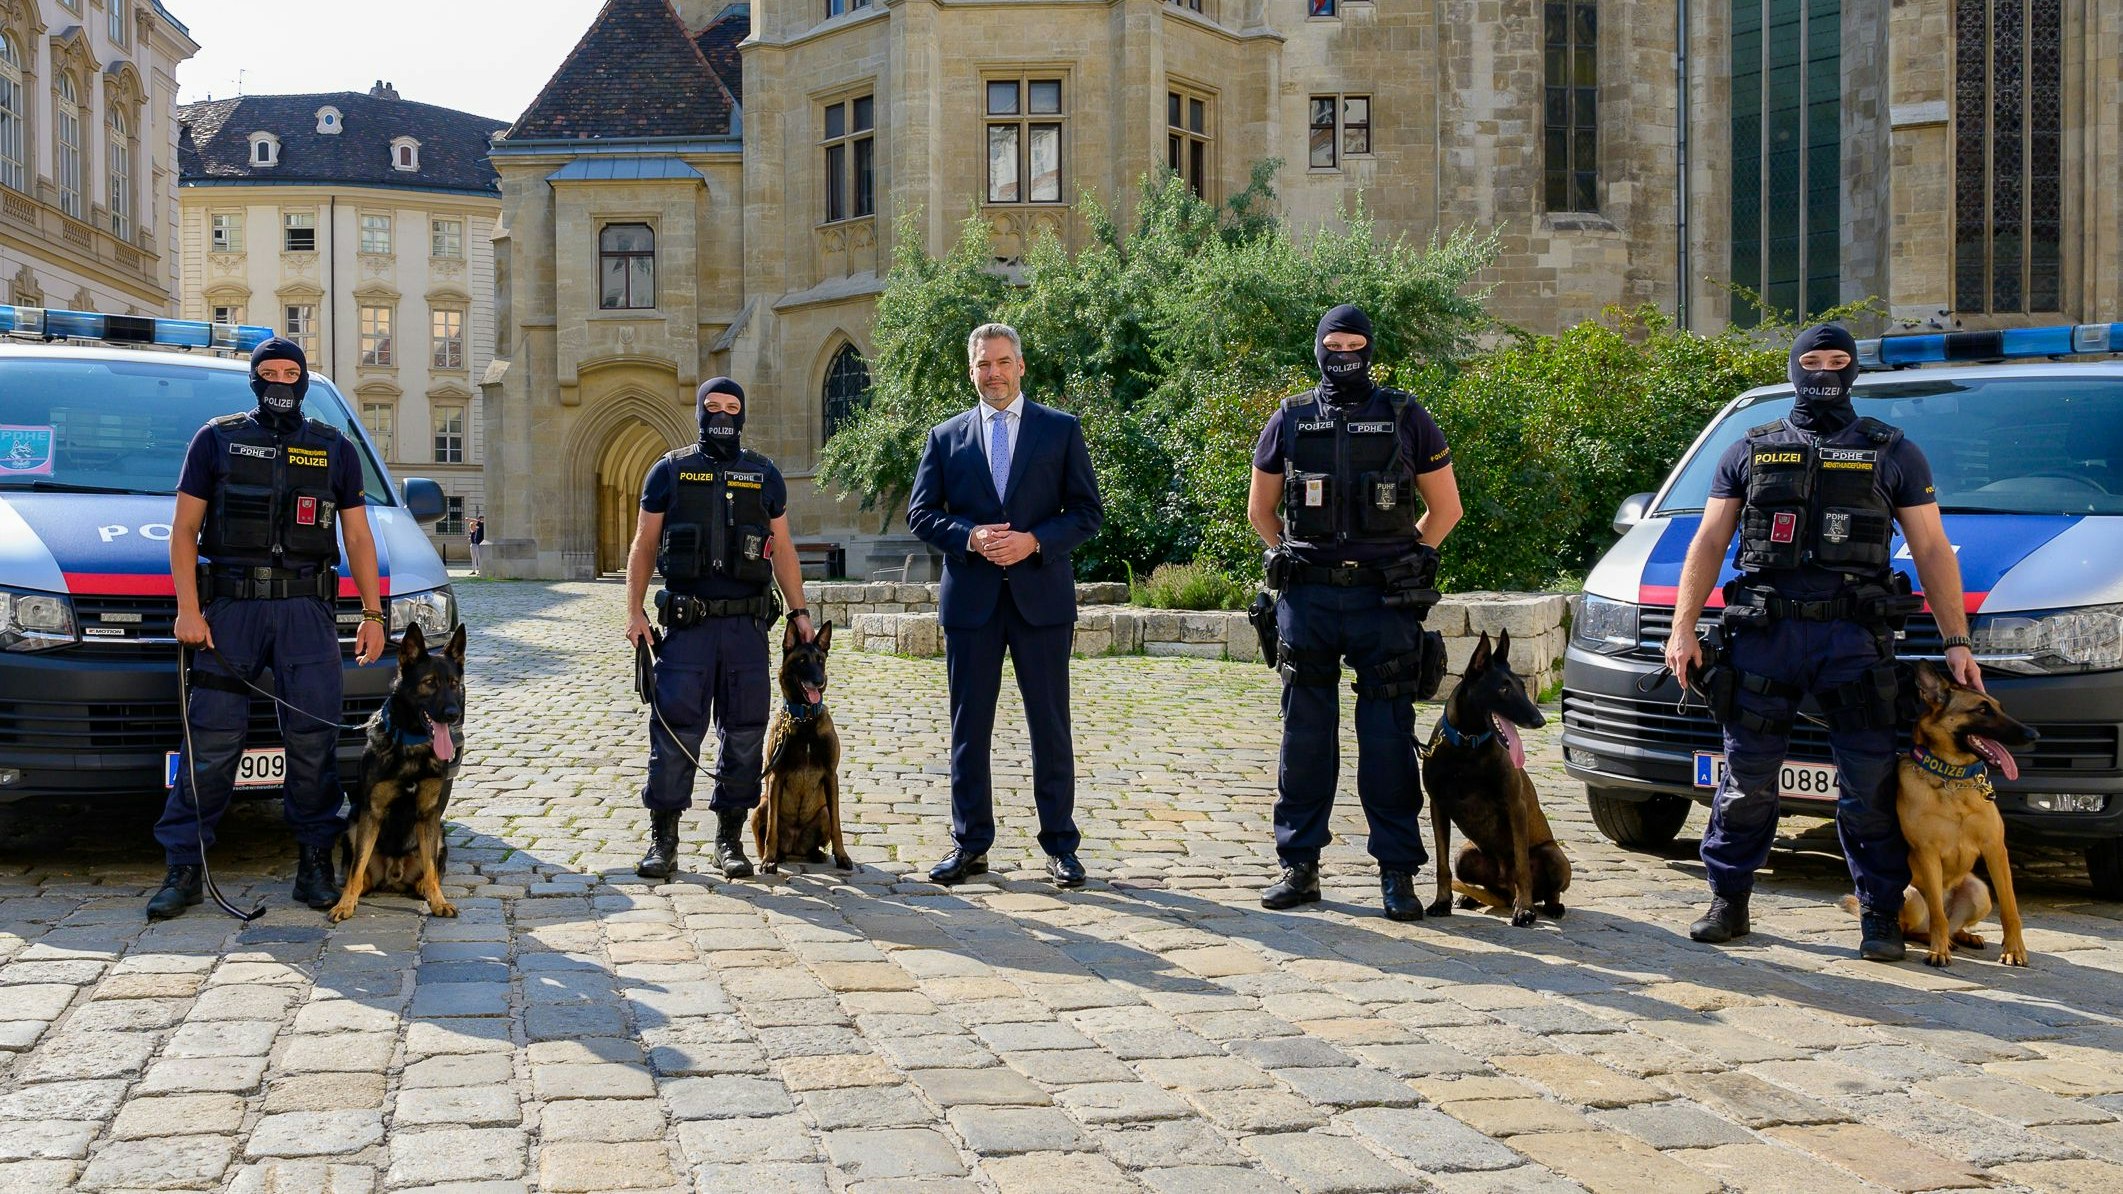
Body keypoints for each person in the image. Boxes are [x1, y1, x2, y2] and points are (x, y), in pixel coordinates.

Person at [1663, 323, 1982, 961]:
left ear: (1854, 369)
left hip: (1852, 640)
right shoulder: (1749, 448)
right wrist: (1682, 627)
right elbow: (1711, 540)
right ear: (1794, 367)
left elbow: (1930, 548)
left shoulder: (1894, 452)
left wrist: (1957, 641)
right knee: (1748, 778)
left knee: (1869, 785)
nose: (1826, 371)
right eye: (1813, 359)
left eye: (1839, 360)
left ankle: (1880, 915)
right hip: (1766, 635)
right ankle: (1728, 900)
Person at [149, 338, 388, 920]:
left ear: (304, 381)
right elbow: (184, 531)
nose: (280, 382)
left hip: (307, 613)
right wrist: (188, 610)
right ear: (254, 380)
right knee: (211, 741)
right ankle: (185, 867)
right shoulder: (216, 440)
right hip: (231, 612)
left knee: (313, 742)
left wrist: (373, 614)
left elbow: (358, 537)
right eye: (269, 373)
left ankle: (314, 863)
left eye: (290, 373)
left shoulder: (334, 448)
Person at [1246, 304, 1463, 921]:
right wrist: (1289, 556)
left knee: (1388, 740)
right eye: (1333, 346)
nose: (1344, 356)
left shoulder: (1406, 415)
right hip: (1309, 599)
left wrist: (1409, 561)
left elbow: (1446, 509)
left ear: (1371, 349)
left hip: (1383, 602)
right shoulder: (1290, 417)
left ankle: (1397, 872)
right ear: (1317, 349)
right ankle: (1300, 866)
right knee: (1305, 738)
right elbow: (1262, 510)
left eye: (1354, 345)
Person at [908, 323, 1105, 888]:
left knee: (1050, 726)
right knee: (969, 728)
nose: (992, 374)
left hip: (1040, 600)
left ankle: (1061, 845)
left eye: (1001, 363)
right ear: (971, 371)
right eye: (982, 365)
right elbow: (921, 514)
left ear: (1020, 366)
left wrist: (1035, 541)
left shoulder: (1060, 430)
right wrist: (969, 536)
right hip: (972, 603)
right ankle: (970, 844)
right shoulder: (945, 437)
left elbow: (1086, 512)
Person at [626, 377, 813, 881]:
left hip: (746, 629)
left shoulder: (764, 474)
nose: (723, 415)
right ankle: (664, 840)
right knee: (675, 730)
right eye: (713, 407)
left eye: (733, 407)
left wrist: (799, 613)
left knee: (746, 732)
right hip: (687, 629)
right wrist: (634, 611)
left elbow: (783, 549)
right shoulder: (668, 471)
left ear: (743, 414)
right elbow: (644, 544)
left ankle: (729, 839)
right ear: (699, 413)